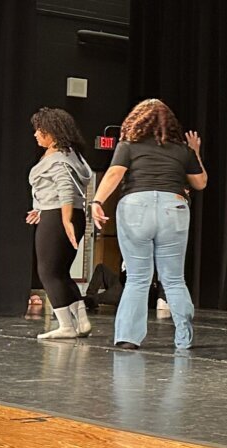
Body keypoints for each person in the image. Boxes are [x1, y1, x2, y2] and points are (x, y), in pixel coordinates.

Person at [89, 99, 207, 351]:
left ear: (136, 121)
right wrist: (195, 151)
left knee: (137, 278)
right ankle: (184, 338)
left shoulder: (128, 146)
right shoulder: (182, 150)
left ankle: (128, 338)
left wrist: (97, 201)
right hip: (174, 207)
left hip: (136, 206)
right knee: (174, 279)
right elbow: (200, 183)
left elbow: (114, 173)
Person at [25, 107, 94, 341]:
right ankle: (81, 321)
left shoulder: (57, 158)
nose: (36, 134)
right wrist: (40, 208)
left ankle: (66, 326)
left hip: (59, 216)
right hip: (68, 214)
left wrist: (64, 220)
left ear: (52, 131)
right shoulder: (73, 155)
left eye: (39, 130)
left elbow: (65, 188)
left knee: (48, 272)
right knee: (60, 271)